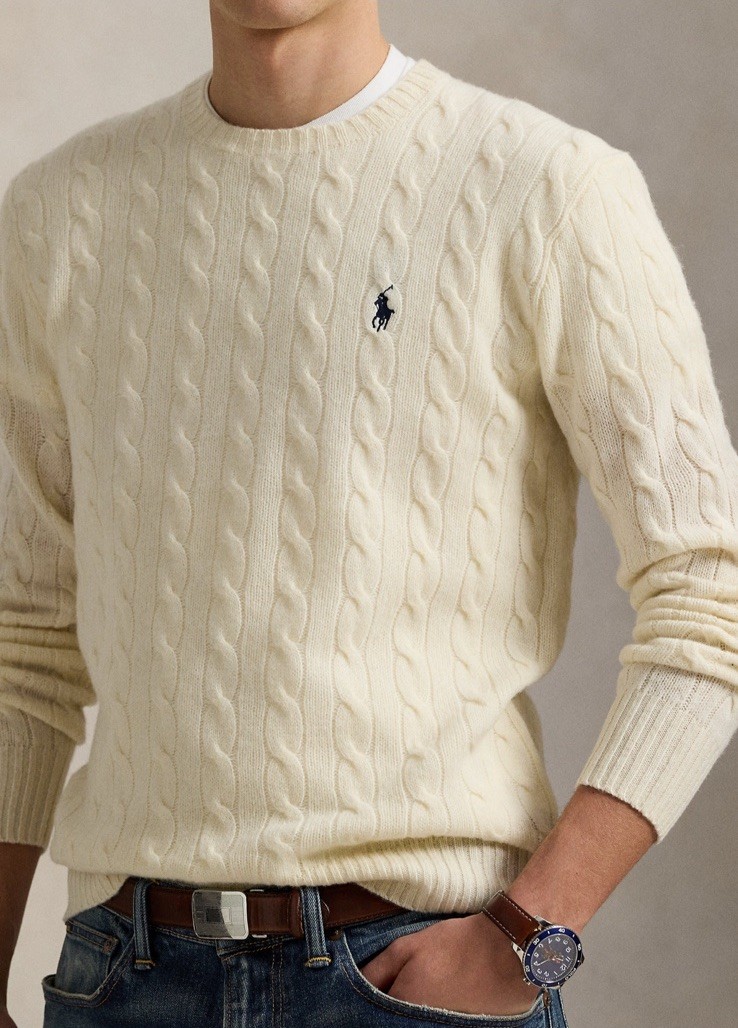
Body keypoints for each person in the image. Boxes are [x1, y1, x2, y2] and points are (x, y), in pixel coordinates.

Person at [1, 1, 736, 1025]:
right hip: (123, 976)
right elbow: (25, 637)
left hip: (419, 977)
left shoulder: (548, 189)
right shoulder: (56, 214)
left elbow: (709, 593)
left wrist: (528, 934)